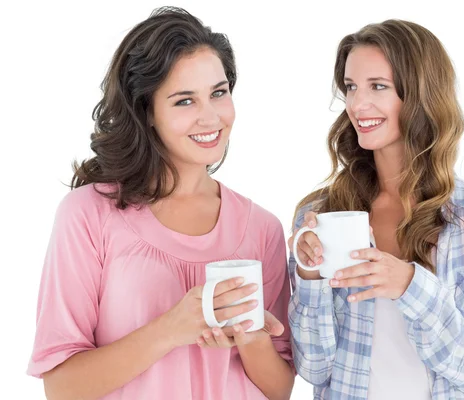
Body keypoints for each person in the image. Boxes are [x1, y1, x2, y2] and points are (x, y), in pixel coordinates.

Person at [27, 7, 294, 400]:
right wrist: (172, 328)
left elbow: (280, 389)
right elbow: (62, 387)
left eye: (218, 93)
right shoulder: (87, 215)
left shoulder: (262, 229)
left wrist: (251, 338)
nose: (211, 117)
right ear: (147, 111)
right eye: (184, 101)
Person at [288, 19, 464, 400]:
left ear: (421, 95)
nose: (358, 104)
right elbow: (313, 367)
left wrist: (410, 287)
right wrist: (309, 277)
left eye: (378, 86)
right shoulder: (324, 215)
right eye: (351, 87)